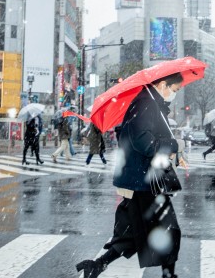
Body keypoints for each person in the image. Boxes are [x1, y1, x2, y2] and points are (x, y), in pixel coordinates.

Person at [75, 73, 185, 278]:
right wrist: (172, 145)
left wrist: (174, 151)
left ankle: (96, 265)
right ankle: (168, 275)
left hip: (141, 178)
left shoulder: (150, 104)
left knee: (133, 233)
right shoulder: (145, 104)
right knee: (168, 231)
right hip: (143, 180)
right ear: (163, 85)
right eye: (175, 90)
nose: (174, 94)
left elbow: (150, 138)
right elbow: (143, 141)